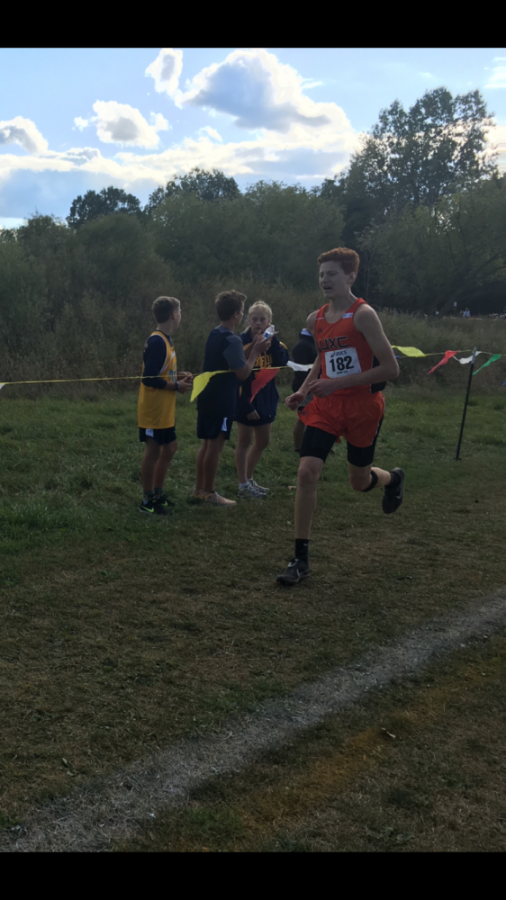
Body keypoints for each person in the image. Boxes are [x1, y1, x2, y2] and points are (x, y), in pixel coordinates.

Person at [277, 247, 404, 586]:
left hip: (363, 407)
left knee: (358, 482)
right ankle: (300, 559)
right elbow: (323, 359)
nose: (324, 280)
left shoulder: (363, 315)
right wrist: (304, 390)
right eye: (321, 275)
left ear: (350, 276)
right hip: (326, 407)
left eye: (332, 274)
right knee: (306, 471)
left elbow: (391, 369)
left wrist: (339, 384)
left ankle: (392, 479)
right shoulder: (314, 318)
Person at [194, 290, 271, 507]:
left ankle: (199, 490)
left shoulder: (215, 334)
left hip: (207, 396)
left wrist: (249, 350)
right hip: (221, 400)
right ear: (237, 315)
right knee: (215, 447)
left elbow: (230, 359)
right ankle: (209, 492)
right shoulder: (233, 339)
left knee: (206, 444)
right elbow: (243, 374)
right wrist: (255, 351)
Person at [138, 296, 193, 514]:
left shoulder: (167, 340)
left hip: (165, 409)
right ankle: (147, 500)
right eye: (180, 312)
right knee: (153, 451)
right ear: (174, 315)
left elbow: (161, 371)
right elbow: (148, 378)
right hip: (153, 409)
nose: (181, 316)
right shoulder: (157, 341)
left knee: (170, 447)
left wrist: (178, 375)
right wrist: (176, 386)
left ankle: (159, 494)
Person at [234, 301, 289, 498]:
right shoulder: (240, 341)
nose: (258, 323)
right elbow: (235, 372)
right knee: (245, 440)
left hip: (266, 397)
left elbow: (283, 362)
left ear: (269, 322)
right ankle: (242, 483)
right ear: (248, 321)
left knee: (263, 440)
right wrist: (244, 403)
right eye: (254, 319)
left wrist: (272, 342)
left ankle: (249, 479)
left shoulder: (273, 341)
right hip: (245, 397)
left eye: (262, 319)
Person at [290, 315, 318, 453]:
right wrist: (306, 389)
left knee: (316, 418)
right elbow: (300, 371)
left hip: (316, 387)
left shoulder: (314, 341)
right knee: (302, 418)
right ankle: (298, 447)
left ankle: (314, 444)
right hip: (305, 388)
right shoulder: (302, 345)